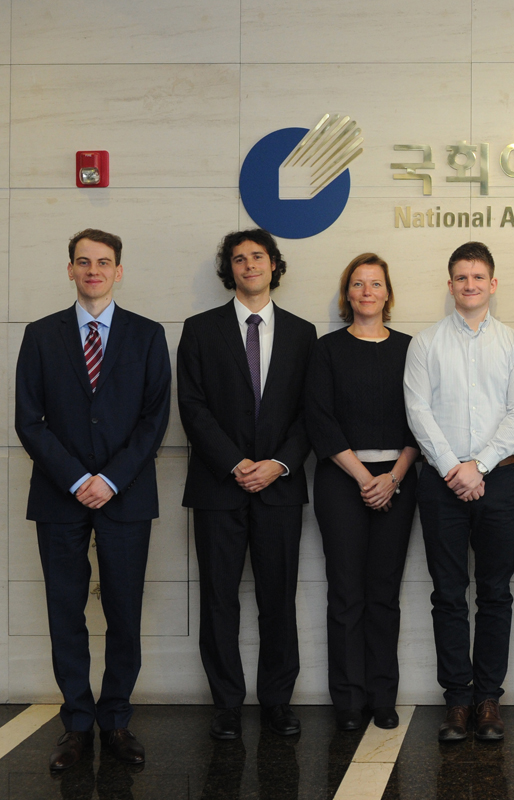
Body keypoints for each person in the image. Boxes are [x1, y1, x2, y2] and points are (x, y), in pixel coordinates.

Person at [15, 229, 170, 771]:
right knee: (66, 613)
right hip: (59, 496)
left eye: (103, 262)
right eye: (83, 262)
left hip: (126, 496)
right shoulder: (40, 334)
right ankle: (77, 724)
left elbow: (154, 419)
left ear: (118, 271)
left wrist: (111, 479)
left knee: (124, 612)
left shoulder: (148, 334)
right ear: (70, 270)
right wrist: (79, 478)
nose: (93, 270)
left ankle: (117, 721)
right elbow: (29, 420)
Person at [177, 228, 317, 740]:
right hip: (218, 487)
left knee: (279, 598)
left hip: (280, 487)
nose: (249, 265)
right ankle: (227, 705)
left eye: (258, 257)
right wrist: (235, 463)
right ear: (229, 269)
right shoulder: (200, 329)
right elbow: (191, 407)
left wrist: (278, 463)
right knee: (219, 599)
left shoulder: (302, 333)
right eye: (239, 259)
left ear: (274, 265)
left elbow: (311, 412)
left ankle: (277, 701)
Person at [403, 241, 514, 743]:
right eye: (461, 277)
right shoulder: (425, 344)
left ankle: (488, 700)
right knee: (448, 593)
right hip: (441, 483)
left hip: (498, 480)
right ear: (450, 284)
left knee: (496, 593)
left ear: (493, 284)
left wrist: (477, 467)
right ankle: (457, 699)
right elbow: (418, 413)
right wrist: (453, 469)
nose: (470, 284)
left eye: (479, 277)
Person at [305, 253, 421, 732]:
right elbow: (319, 418)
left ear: (388, 293)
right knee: (346, 593)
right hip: (341, 479)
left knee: (384, 594)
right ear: (347, 294)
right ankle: (349, 700)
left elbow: (422, 419)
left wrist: (392, 477)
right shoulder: (326, 349)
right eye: (358, 284)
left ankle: (382, 696)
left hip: (399, 478)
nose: (367, 291)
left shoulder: (412, 349)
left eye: (375, 284)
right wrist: (362, 477)